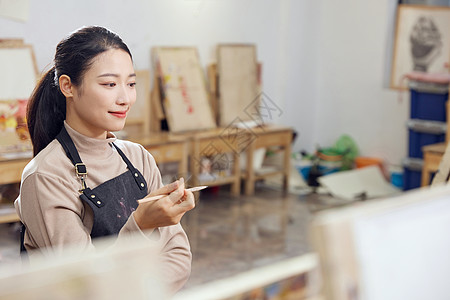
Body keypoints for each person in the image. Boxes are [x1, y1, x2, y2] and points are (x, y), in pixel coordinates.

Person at [14, 26, 195, 293]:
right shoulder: (46, 176)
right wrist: (141, 225)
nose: (125, 98)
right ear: (68, 86)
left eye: (131, 84)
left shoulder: (138, 158)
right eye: (109, 84)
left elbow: (178, 256)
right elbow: (86, 284)